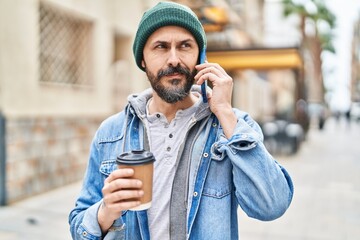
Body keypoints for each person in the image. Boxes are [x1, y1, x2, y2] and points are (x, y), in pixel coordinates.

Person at [69, 2, 294, 239]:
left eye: (185, 46)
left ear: (201, 56)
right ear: (143, 60)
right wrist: (106, 211)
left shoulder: (232, 127)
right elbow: (79, 227)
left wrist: (225, 112)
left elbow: (272, 205)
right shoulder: (111, 132)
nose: (173, 59)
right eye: (161, 47)